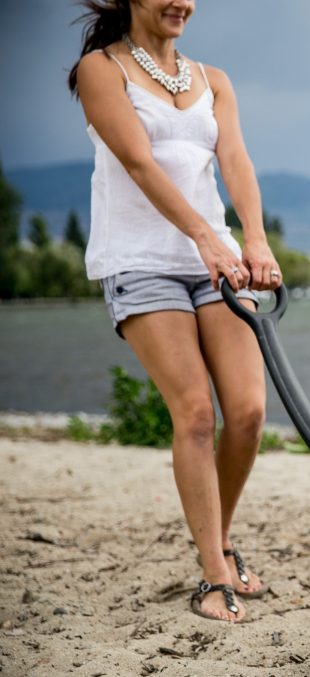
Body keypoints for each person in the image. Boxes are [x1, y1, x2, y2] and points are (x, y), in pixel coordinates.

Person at [69, 0, 281, 622]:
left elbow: (236, 162)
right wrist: (205, 237)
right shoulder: (100, 70)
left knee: (246, 412)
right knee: (193, 412)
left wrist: (254, 237)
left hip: (214, 258)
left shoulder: (213, 79)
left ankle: (220, 539)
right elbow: (138, 161)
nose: (181, 3)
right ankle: (213, 575)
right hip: (140, 259)